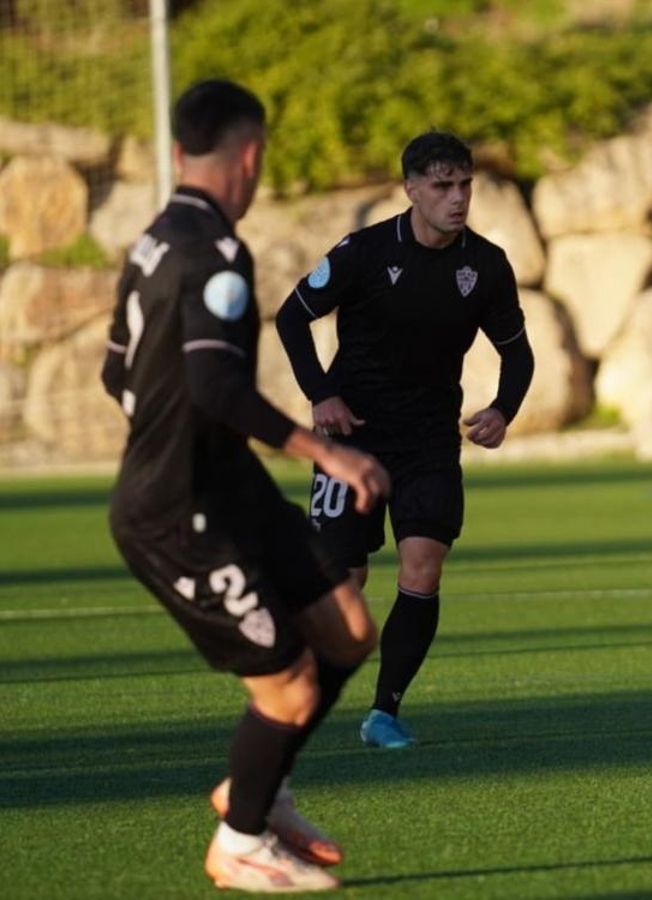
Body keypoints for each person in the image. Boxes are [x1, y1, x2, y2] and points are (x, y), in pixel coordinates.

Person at [102, 79, 391, 892]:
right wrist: (325, 454)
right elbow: (214, 390)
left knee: (346, 628)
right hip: (176, 510)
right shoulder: (217, 252)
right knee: (294, 683)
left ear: (180, 153)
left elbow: (115, 372)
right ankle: (240, 842)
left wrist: (182, 437)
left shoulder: (155, 240)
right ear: (252, 153)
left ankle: (261, 787)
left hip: (222, 483)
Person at [275, 131, 534, 750]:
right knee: (347, 582)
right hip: (353, 437)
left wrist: (503, 408)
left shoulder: (488, 265)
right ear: (411, 189)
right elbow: (291, 316)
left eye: (465, 183)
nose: (457, 197)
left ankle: (385, 711)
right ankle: (293, 680)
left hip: (429, 441)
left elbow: (516, 352)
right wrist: (321, 395)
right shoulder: (364, 252)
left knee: (423, 568)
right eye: (443, 185)